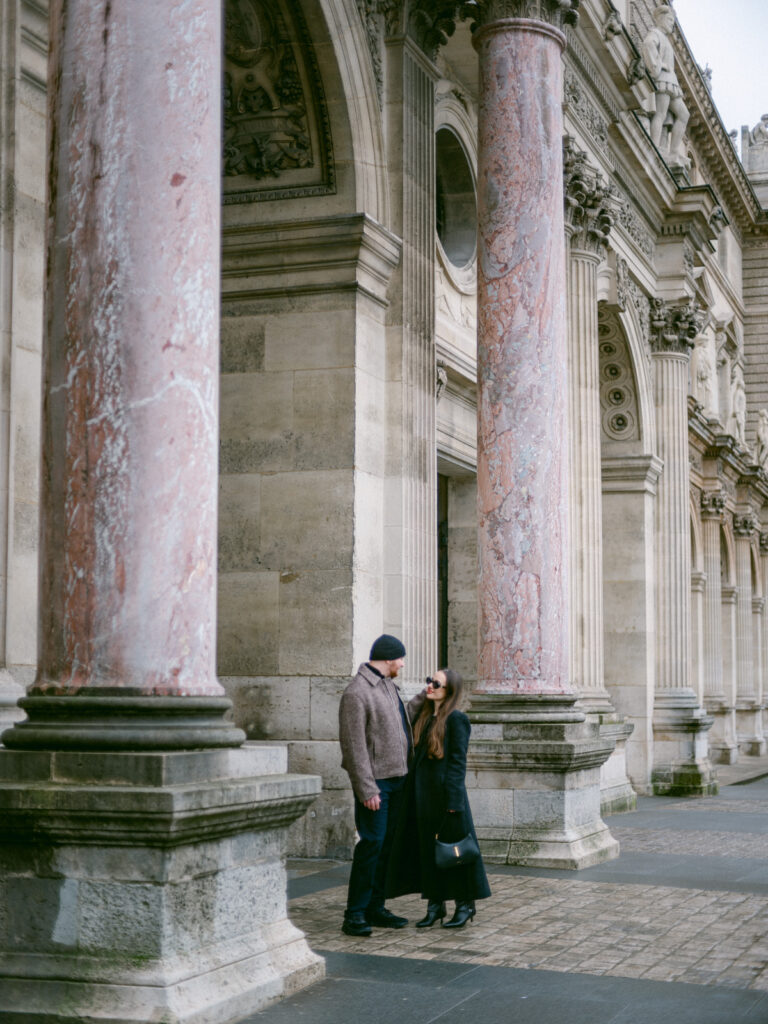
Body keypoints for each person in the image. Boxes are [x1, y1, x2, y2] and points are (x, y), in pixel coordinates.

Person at [386, 669, 490, 928]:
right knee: (428, 853)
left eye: (436, 683)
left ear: (450, 690)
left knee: (456, 855)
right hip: (423, 798)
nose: (429, 686)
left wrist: (454, 803)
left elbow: (458, 764)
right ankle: (435, 905)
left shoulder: (457, 719)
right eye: (428, 681)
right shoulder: (425, 717)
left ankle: (465, 905)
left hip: (447, 799)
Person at [338, 633, 423, 937]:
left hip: (397, 780)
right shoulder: (357, 693)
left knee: (386, 846)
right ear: (389, 659)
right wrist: (367, 788)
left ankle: (376, 906)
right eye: (400, 658)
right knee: (371, 847)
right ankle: (355, 914)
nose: (402, 663)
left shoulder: (388, 686)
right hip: (377, 786)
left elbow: (401, 723)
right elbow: (353, 746)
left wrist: (422, 698)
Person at [640, 5, 689, 164]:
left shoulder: (664, 37)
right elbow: (647, 45)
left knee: (683, 114)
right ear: (660, 19)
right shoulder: (655, 33)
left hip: (670, 81)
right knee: (660, 114)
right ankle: (655, 147)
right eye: (669, 20)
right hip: (663, 79)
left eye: (672, 22)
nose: (671, 25)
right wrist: (658, 65)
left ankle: (674, 151)